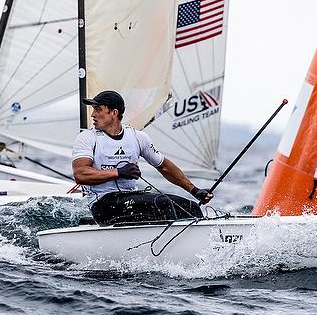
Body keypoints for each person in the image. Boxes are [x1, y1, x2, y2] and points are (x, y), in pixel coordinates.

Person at [72, 90, 214, 225]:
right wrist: (118, 172)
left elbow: (164, 166)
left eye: (98, 109)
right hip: (102, 204)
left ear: (114, 112)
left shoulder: (138, 137)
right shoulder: (86, 138)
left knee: (189, 207)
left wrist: (194, 190)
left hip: (130, 199)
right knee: (161, 204)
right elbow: (80, 174)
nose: (93, 115)